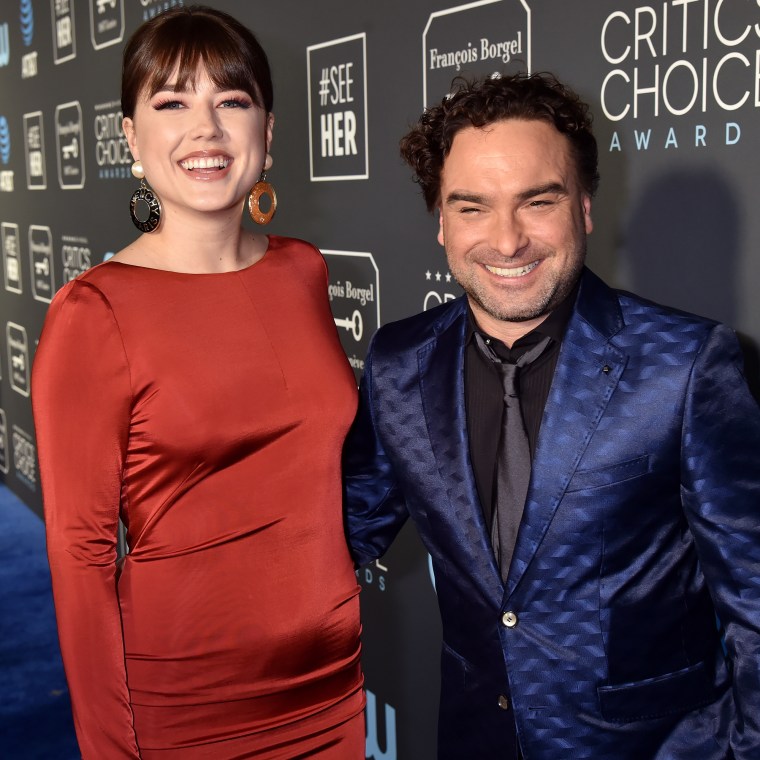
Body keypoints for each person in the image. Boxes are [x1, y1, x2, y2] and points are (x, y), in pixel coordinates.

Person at [343, 71, 760, 759]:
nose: (507, 242)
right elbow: (341, 531)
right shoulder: (399, 363)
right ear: (441, 222)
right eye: (472, 207)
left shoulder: (685, 367)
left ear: (585, 207)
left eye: (537, 201)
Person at [32, 7, 364, 758]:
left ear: (268, 130)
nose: (205, 129)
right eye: (172, 102)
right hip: (184, 699)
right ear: (129, 138)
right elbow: (80, 559)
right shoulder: (94, 313)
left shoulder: (303, 269)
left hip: (330, 682)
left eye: (232, 101)